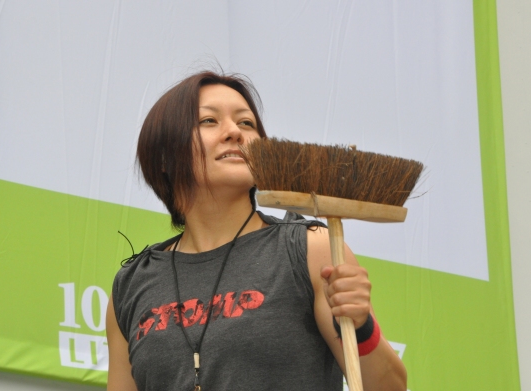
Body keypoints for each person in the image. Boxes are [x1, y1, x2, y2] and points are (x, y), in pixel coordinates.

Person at [106, 71, 407, 390]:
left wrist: (362, 326)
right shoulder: (132, 284)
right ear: (164, 156)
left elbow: (389, 387)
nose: (234, 132)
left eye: (246, 123)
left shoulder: (311, 249)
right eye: (209, 121)